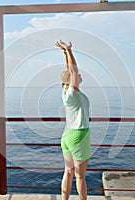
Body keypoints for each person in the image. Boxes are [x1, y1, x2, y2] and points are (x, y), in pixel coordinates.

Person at [56, 40, 91, 200]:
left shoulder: (65, 91)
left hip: (67, 135)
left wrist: (65, 53)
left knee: (68, 172)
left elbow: (70, 71)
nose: (80, 75)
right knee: (80, 176)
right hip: (79, 135)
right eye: (76, 77)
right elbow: (74, 71)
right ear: (71, 81)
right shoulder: (72, 93)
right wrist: (69, 51)